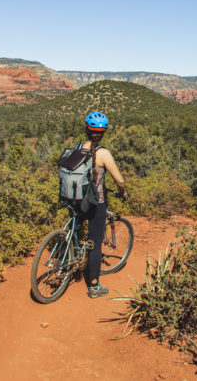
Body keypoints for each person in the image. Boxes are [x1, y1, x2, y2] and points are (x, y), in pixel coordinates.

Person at [78, 111, 127, 298]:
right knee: (95, 242)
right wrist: (123, 191)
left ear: (86, 129)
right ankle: (94, 286)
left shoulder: (78, 147)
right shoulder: (103, 153)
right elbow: (119, 181)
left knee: (76, 233)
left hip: (76, 200)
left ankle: (72, 259)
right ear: (104, 132)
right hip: (94, 203)